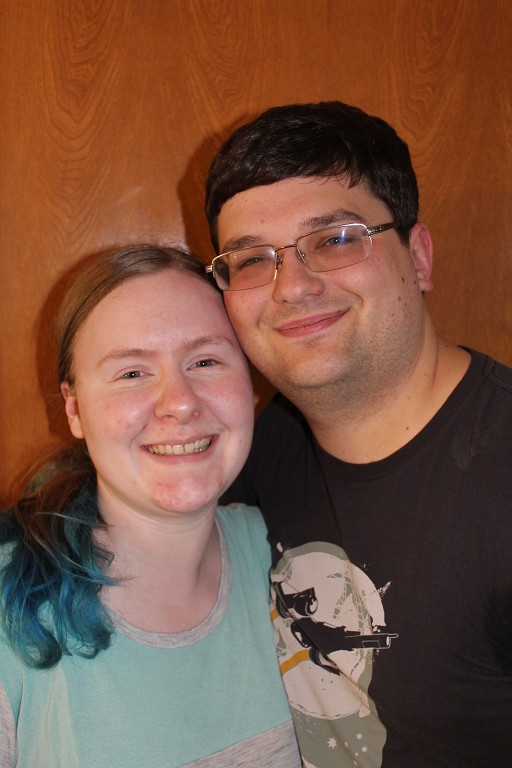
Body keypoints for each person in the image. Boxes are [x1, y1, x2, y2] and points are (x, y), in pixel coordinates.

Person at [204, 102, 512, 767]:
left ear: (418, 257)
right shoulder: (261, 443)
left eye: (336, 239)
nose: (292, 287)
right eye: (252, 259)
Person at [0, 245, 301, 768]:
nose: (179, 401)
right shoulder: (10, 607)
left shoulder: (287, 553)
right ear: (74, 408)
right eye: (132, 373)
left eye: (205, 361)